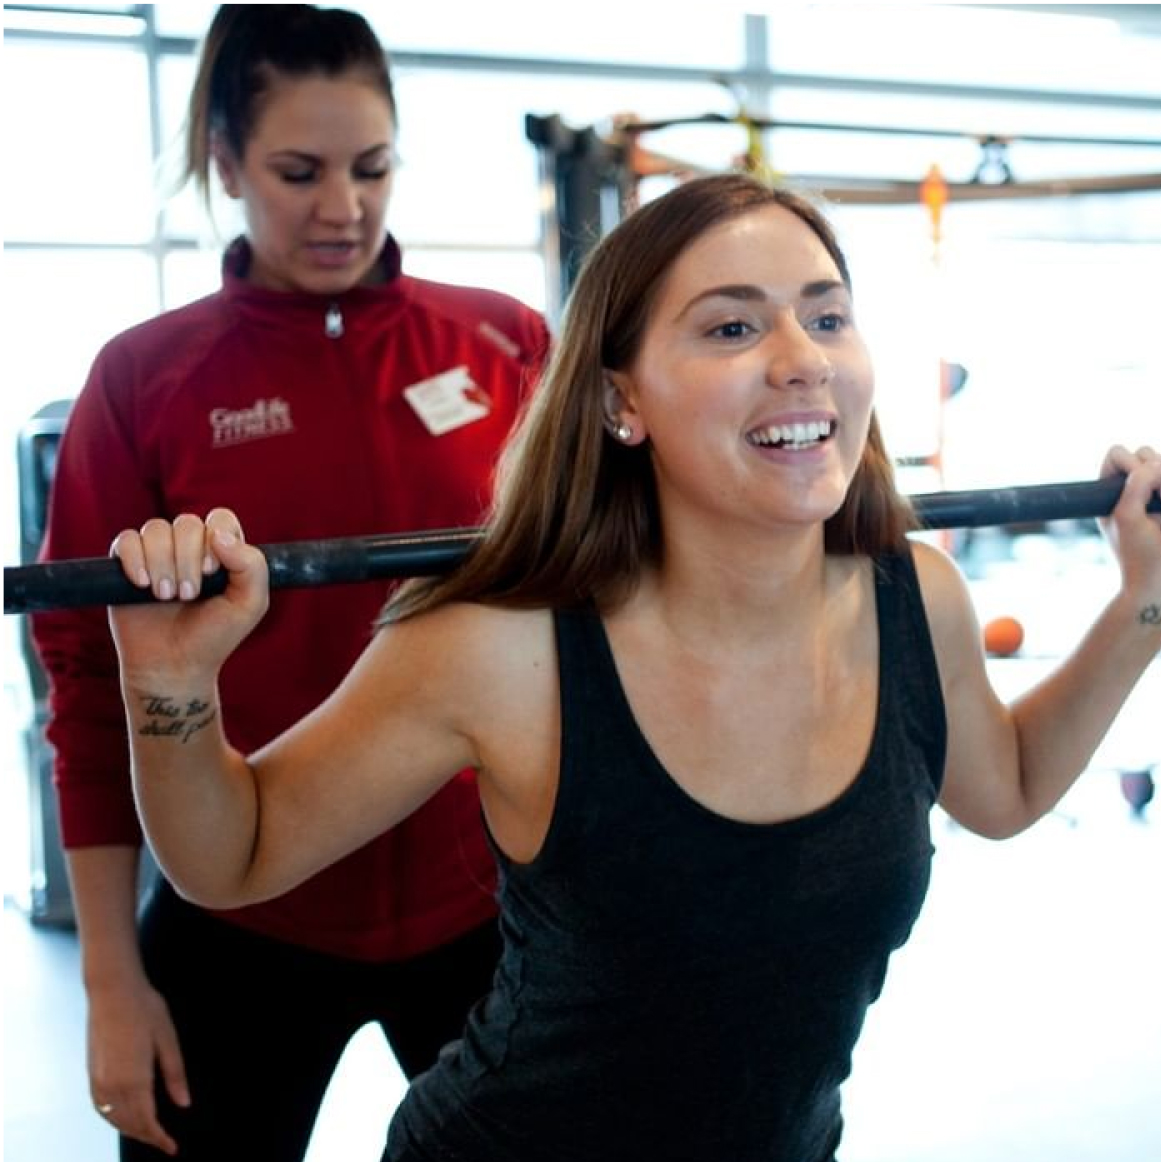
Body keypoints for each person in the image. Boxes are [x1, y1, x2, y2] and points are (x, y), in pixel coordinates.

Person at [105, 172, 1161, 1162]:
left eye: (827, 316)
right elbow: (232, 856)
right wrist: (169, 687)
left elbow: (1005, 786)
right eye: (733, 326)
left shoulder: (915, 599)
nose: (802, 358)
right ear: (622, 402)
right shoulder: (504, 645)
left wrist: (1144, 602)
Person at [30, 6, 548, 1159]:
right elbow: (88, 690)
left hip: (487, 904)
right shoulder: (145, 378)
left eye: (373, 167)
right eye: (299, 172)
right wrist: (111, 981)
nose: (343, 207)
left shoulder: (505, 345)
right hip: (240, 912)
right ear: (226, 164)